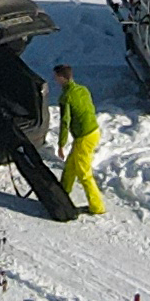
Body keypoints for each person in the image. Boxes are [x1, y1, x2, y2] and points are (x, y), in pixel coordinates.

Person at [52, 62, 105, 217]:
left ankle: (97, 206)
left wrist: (61, 144)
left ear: (62, 78)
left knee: (83, 172)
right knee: (70, 166)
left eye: (56, 77)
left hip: (84, 137)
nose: (54, 80)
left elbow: (65, 122)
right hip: (94, 131)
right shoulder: (83, 89)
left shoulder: (65, 97)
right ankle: (63, 193)